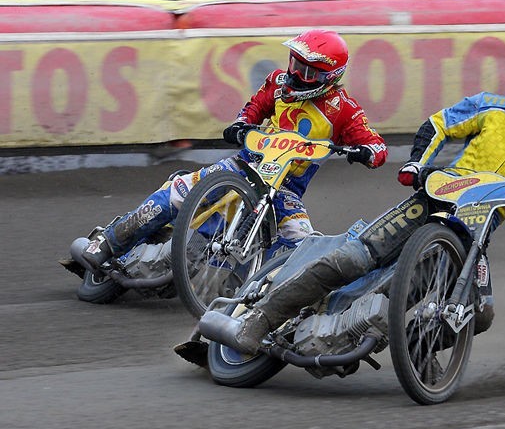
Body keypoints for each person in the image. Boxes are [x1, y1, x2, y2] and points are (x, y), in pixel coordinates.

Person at [225, 56, 505, 355]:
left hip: (475, 233)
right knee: (352, 259)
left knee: (479, 314)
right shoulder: (491, 108)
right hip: (430, 201)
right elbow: (438, 125)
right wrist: (418, 163)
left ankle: (414, 351)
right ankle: (261, 319)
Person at [65, 29, 388, 274]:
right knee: (177, 193)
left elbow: (377, 147)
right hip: (244, 166)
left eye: (307, 72)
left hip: (284, 190)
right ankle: (107, 242)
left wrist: (364, 153)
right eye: (295, 64)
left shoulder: (344, 109)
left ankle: (263, 307)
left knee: (303, 243)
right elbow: (252, 109)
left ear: (329, 78)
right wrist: (240, 124)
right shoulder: (277, 83)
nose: (296, 75)